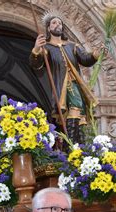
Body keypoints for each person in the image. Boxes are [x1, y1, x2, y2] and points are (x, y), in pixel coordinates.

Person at [29, 14, 102, 144]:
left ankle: (77, 145)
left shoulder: (72, 46)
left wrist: (96, 54)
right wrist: (36, 49)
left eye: (60, 23)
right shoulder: (46, 48)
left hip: (75, 82)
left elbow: (85, 59)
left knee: (79, 112)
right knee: (75, 108)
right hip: (61, 85)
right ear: (48, 28)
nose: (58, 25)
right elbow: (36, 65)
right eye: (54, 23)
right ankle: (73, 145)